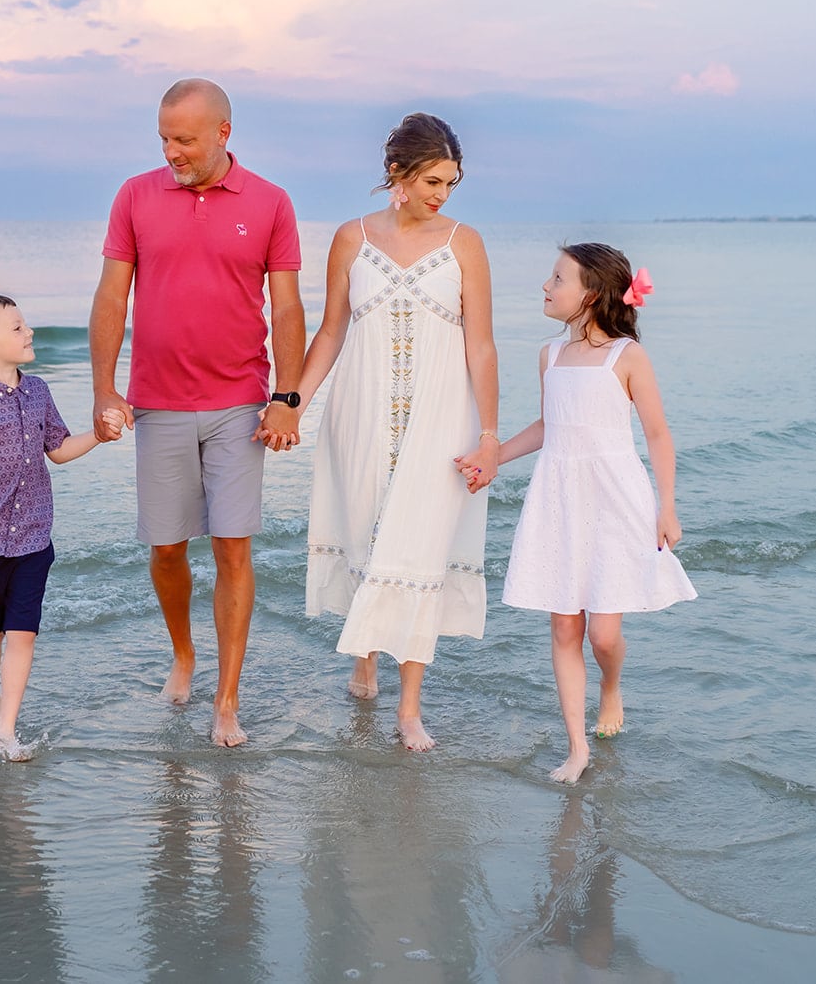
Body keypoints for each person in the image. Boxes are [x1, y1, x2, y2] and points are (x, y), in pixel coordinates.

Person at [89, 78, 304, 748]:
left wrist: (287, 396)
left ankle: (227, 698)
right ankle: (183, 651)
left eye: (183, 139)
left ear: (222, 133)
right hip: (157, 401)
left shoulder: (270, 202)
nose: (171, 151)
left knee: (234, 546)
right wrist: (105, 389)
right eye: (163, 138)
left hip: (241, 400)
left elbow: (289, 307)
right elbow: (111, 297)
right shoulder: (134, 196)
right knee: (167, 548)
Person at [278, 112, 499, 751]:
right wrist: (292, 400)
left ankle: (409, 708)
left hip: (442, 415)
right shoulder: (352, 238)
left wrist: (488, 434)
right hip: (360, 410)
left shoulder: (465, 243)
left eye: (451, 183)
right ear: (397, 174)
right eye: (433, 179)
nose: (442, 194)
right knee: (366, 527)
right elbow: (330, 332)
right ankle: (365, 659)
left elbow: (481, 346)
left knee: (420, 545)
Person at [485, 244, 696, 783]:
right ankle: (577, 748)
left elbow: (657, 434)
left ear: (592, 295)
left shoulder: (627, 357)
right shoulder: (548, 355)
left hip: (616, 499)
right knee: (563, 626)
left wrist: (667, 505)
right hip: (559, 498)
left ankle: (610, 686)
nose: (545, 286)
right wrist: (492, 458)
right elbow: (547, 426)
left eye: (558, 278)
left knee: (602, 635)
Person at [0, 293, 123, 761]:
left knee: (24, 631)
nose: (29, 333)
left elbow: (58, 449)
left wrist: (98, 437)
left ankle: (6, 727)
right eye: (17, 328)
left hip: (33, 538)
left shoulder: (39, 390)